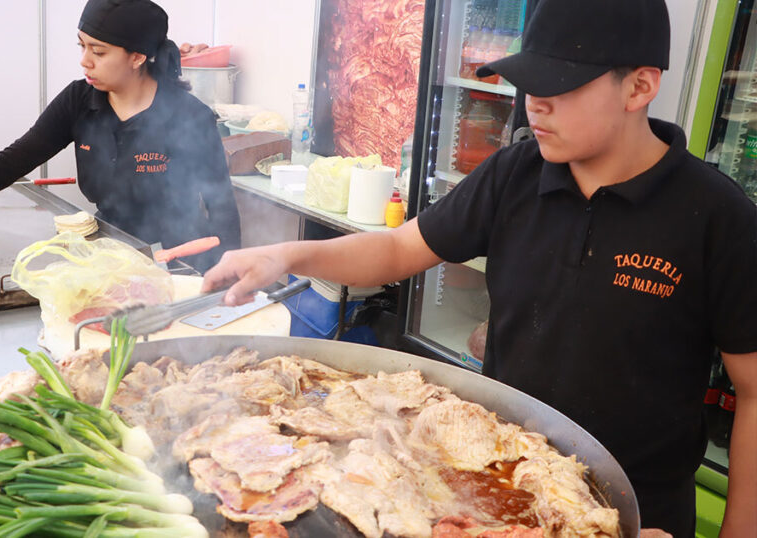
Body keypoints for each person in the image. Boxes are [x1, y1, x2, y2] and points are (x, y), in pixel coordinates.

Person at [202, 0, 757, 536]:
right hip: (497, 478)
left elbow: (752, 390)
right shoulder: (517, 171)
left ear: (639, 86)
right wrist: (288, 255)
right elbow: (399, 250)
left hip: (637, 508)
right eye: (530, 82)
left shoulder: (718, 216)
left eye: (559, 86)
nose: (533, 104)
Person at [0, 0, 241, 271]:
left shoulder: (188, 117)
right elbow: (11, 161)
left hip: (179, 263)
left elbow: (222, 208)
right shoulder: (79, 101)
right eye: (81, 46)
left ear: (137, 57)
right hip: (108, 256)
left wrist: (226, 275)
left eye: (98, 51)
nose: (85, 60)